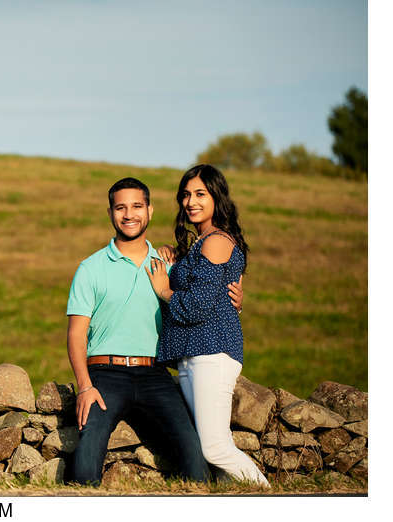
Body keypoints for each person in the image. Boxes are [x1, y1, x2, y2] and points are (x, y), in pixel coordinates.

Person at [65, 177, 242, 485]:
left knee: (196, 463)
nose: (129, 214)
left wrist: (238, 302)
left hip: (155, 375)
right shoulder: (90, 268)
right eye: (120, 207)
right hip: (106, 374)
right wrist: (84, 385)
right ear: (110, 213)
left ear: (150, 210)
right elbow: (76, 335)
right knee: (86, 456)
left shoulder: (169, 264)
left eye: (137, 206)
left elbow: (204, 300)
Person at [144, 164, 270, 486]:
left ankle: (272, 498)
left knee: (214, 448)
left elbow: (198, 305)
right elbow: (207, 295)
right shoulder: (201, 244)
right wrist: (174, 265)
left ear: (217, 197)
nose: (191, 201)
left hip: (211, 353)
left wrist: (164, 288)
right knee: (209, 446)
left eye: (200, 193)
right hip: (193, 355)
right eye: (186, 195)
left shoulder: (216, 242)